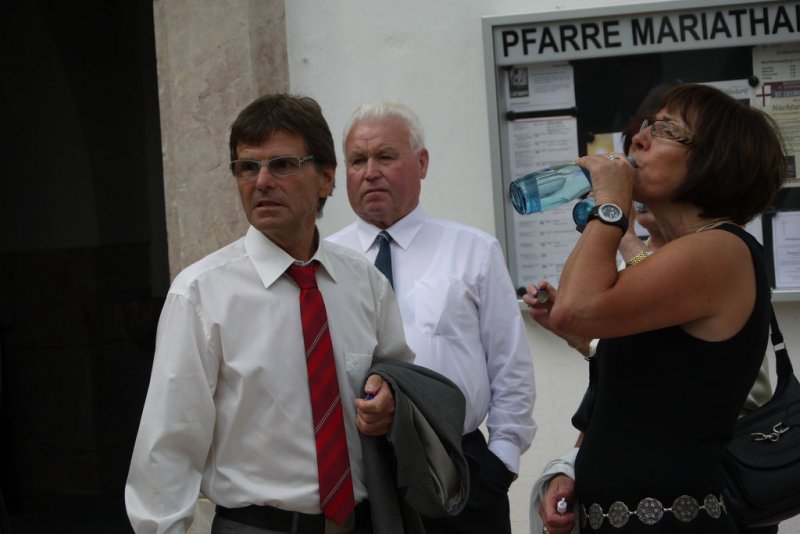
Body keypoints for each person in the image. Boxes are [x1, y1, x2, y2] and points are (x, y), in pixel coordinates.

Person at [125, 94, 419, 534]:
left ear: (326, 178)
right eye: (247, 167)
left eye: (282, 165)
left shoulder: (365, 284)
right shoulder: (200, 294)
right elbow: (168, 446)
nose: (261, 181)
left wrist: (391, 403)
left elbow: (402, 387)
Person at [524, 83, 787, 533]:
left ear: (714, 159)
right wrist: (573, 467)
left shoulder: (720, 249)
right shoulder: (675, 257)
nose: (639, 139)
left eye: (665, 130)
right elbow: (626, 398)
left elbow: (575, 308)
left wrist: (611, 206)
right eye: (647, 126)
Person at [327, 101, 536, 534]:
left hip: (457, 471)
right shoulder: (323, 262)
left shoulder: (473, 251)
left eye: (385, 156)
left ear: (421, 163)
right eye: (357, 160)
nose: (370, 172)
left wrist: (499, 464)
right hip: (360, 478)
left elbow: (510, 368)